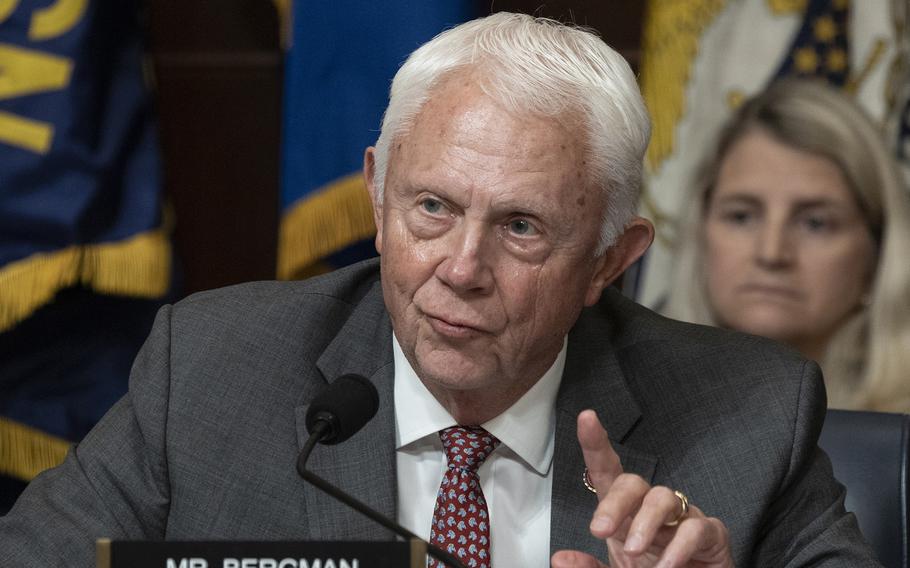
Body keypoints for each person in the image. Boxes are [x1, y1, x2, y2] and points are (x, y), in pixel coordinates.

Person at [1, 13, 878, 567]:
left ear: (612, 258)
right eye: (431, 208)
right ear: (377, 196)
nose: (460, 267)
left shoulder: (749, 414)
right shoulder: (212, 373)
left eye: (522, 227)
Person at [663, 79, 910, 412]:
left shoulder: (898, 438)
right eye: (741, 217)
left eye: (815, 223)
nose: (771, 253)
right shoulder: (619, 409)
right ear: (701, 232)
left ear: (877, 255)